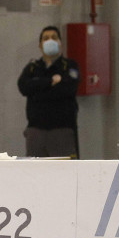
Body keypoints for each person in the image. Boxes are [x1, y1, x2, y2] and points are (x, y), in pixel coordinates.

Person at [17, 25, 80, 158]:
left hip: (62, 131)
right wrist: (51, 81)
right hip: (36, 131)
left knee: (64, 174)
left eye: (54, 38)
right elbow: (24, 87)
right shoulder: (32, 68)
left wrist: (37, 90)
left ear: (60, 43)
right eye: (46, 38)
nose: (50, 40)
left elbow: (69, 89)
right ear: (40, 45)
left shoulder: (70, 66)